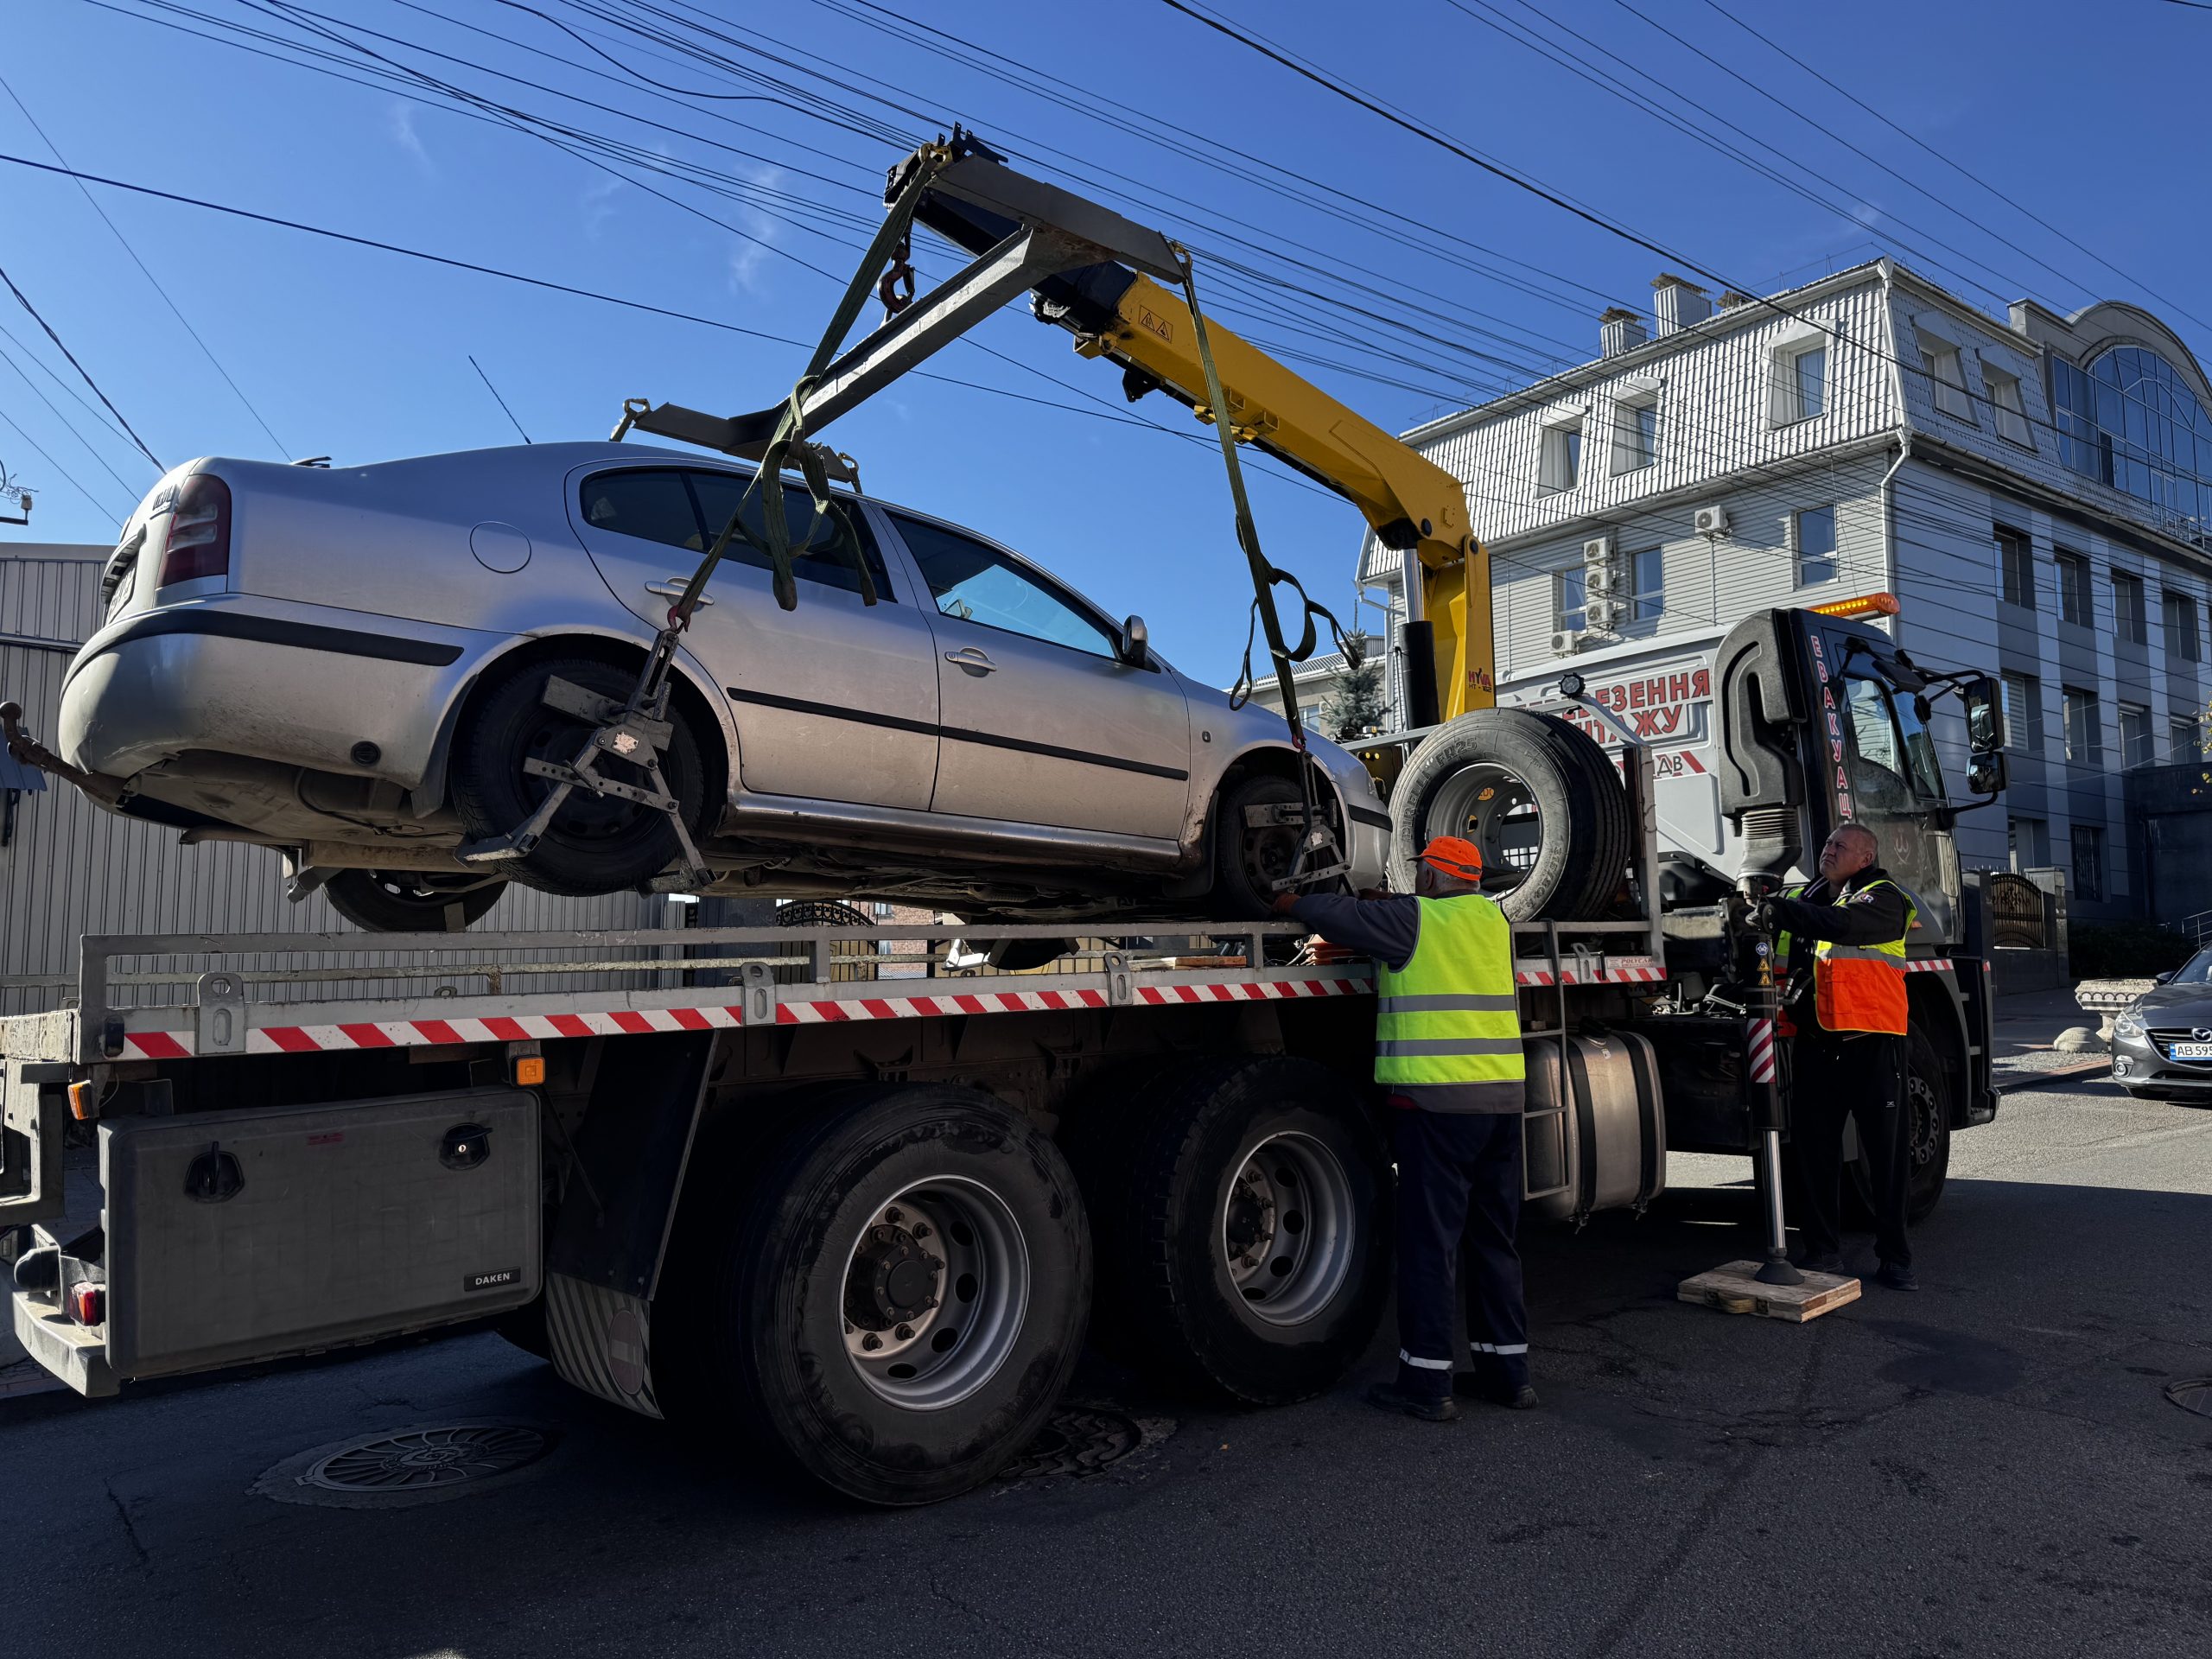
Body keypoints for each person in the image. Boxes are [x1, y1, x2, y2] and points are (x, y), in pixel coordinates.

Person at [1274, 835, 1532, 1423]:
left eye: (1422, 874)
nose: (1417, 883)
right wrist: (1385, 899)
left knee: (1429, 1245)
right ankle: (1508, 1375)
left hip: (1437, 1106)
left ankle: (1425, 1384)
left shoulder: (1414, 921)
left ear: (1437, 876)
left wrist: (1291, 905)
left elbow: (1340, 916)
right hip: (1501, 1104)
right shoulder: (1493, 922)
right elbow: (1397, 916)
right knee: (1494, 1241)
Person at [1759, 822, 1920, 1291]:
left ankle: (1896, 1259)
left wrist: (1778, 911)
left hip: (1873, 1045)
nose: (1828, 850)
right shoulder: (1809, 899)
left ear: (1865, 857)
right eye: (1827, 843)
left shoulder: (1886, 897)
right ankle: (1823, 1253)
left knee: (1886, 1159)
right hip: (1816, 1046)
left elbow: (1844, 926)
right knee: (1814, 1155)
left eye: (1840, 846)